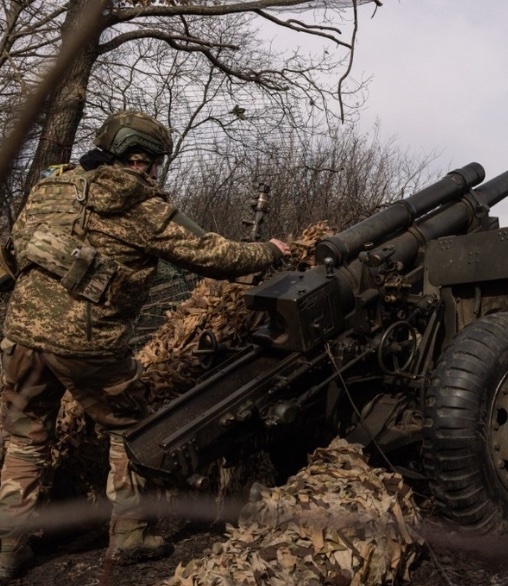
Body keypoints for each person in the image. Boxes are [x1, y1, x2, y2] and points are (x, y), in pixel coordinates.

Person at [0, 110, 291, 580]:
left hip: (20, 338)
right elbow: (213, 256)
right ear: (140, 160)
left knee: (25, 438)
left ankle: (7, 552)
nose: (155, 171)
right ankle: (131, 536)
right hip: (86, 346)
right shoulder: (139, 203)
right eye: (153, 162)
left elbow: (13, 249)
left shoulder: (52, 186)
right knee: (133, 429)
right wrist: (271, 252)